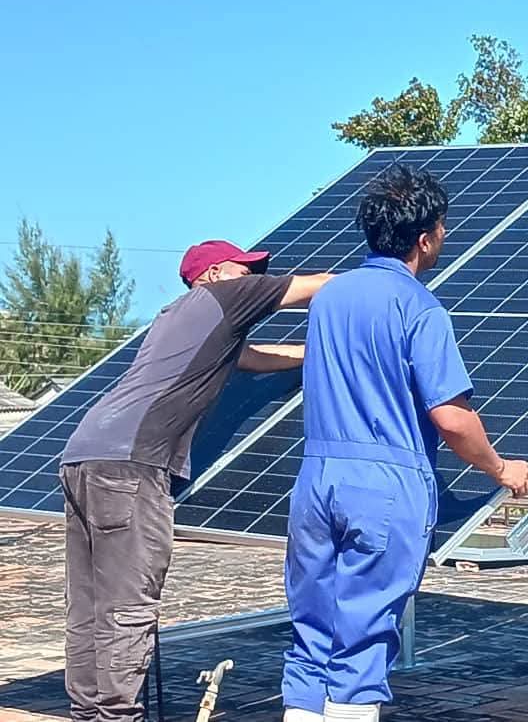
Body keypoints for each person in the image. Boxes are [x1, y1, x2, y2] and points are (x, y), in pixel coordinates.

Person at [282, 164, 528, 722]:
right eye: (443, 228)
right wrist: (500, 469)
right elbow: (451, 418)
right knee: (362, 646)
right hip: (384, 489)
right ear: (425, 239)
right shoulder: (419, 307)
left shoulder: (329, 299)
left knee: (311, 640)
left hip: (317, 480)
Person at [59, 240, 334, 722]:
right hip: (133, 465)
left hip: (85, 455)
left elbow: (249, 358)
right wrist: (387, 277)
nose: (254, 277)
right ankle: (118, 715)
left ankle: (87, 712)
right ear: (210, 276)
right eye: (243, 269)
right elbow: (322, 288)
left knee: (90, 604)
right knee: (129, 603)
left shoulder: (180, 318)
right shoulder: (224, 298)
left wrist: (310, 354)